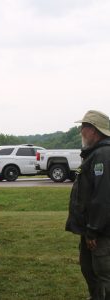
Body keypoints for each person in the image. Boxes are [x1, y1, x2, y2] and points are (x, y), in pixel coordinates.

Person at [66, 110, 110, 300]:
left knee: (104, 274)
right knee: (88, 269)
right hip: (91, 229)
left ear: (94, 130)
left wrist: (94, 230)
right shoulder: (95, 153)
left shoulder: (103, 154)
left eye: (83, 127)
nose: (81, 132)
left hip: (101, 231)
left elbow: (103, 197)